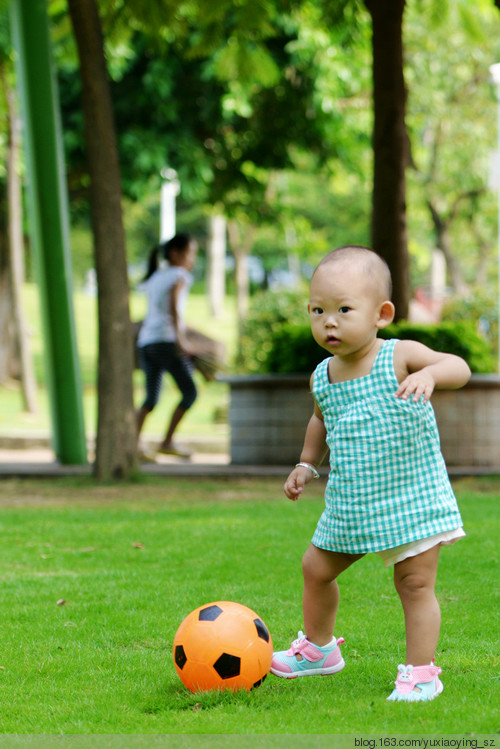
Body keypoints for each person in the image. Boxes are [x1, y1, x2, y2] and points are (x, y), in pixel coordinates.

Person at [271, 245, 471, 702]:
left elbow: (459, 366)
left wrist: (433, 375)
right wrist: (306, 462)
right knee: (315, 568)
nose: (329, 321)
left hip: (410, 497)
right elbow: (321, 418)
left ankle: (421, 673)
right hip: (352, 502)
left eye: (343, 309)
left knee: (414, 583)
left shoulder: (398, 356)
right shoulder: (323, 375)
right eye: (317, 310)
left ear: (381, 314)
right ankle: (319, 650)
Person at [136, 233, 198, 459]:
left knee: (150, 398)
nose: (193, 260)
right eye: (191, 254)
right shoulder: (179, 275)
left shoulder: (155, 277)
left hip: (146, 342)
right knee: (190, 392)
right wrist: (181, 340)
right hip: (166, 341)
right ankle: (167, 442)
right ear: (176, 254)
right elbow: (174, 308)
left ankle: (132, 445)